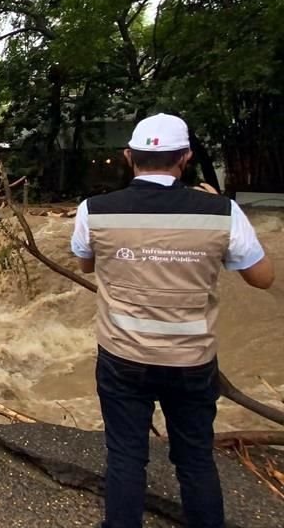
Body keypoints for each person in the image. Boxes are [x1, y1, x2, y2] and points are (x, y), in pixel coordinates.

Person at [70, 113, 275, 528]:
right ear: (185, 157)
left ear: (129, 157)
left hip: (122, 355)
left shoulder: (95, 210)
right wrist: (217, 206)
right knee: (195, 458)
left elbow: (86, 264)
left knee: (126, 456)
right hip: (191, 361)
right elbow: (262, 278)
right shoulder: (222, 212)